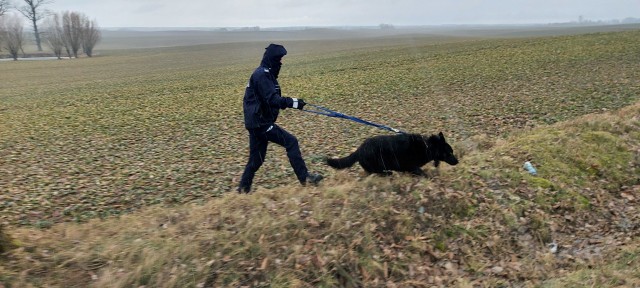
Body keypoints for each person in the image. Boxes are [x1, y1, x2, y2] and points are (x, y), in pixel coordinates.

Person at [238, 43, 323, 193]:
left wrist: (294, 103)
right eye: (279, 59)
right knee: (291, 142)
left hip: (257, 123)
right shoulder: (262, 75)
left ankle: (242, 191)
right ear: (272, 59)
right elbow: (273, 99)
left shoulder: (265, 74)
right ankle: (305, 179)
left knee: (256, 161)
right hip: (261, 123)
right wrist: (294, 102)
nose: (281, 62)